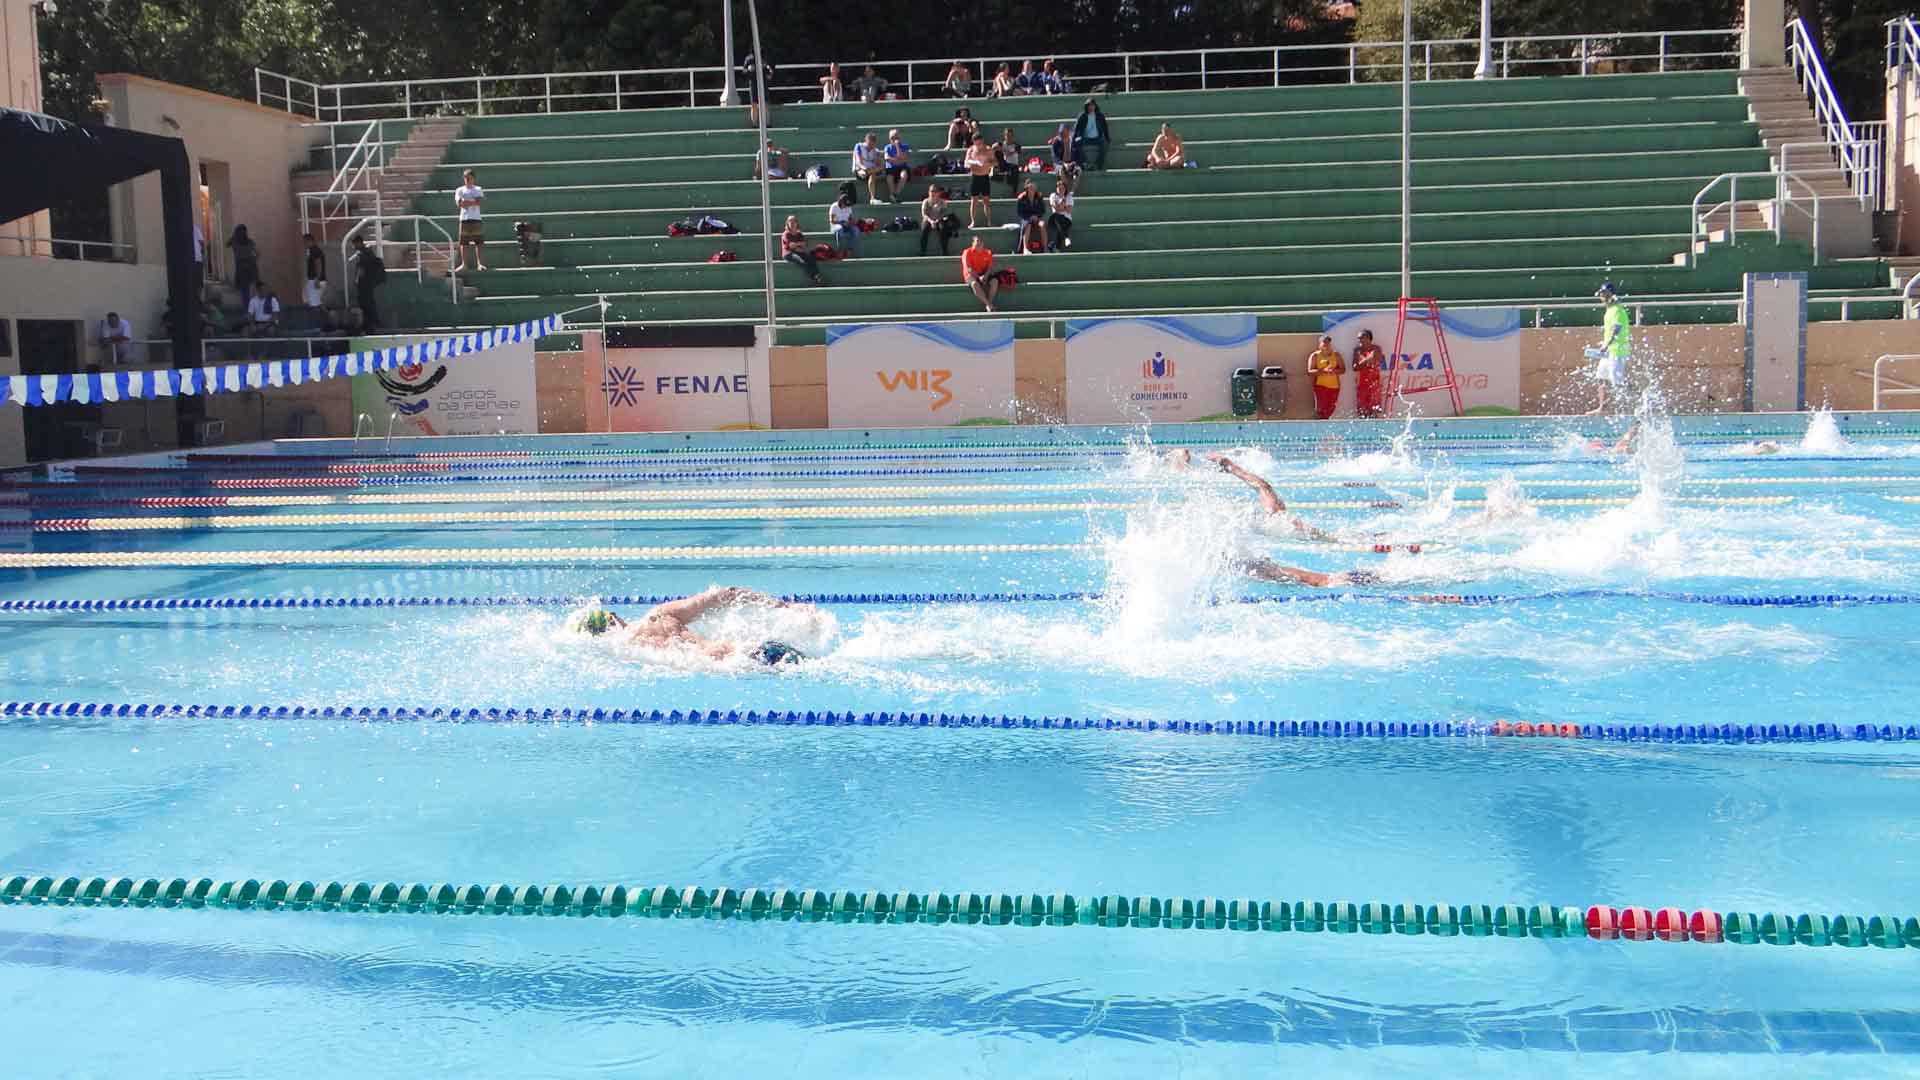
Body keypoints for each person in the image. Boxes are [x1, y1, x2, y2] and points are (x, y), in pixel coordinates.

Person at [568, 586, 820, 666]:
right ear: (614, 617)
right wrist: (783, 605)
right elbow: (726, 593)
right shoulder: (660, 615)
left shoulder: (626, 651)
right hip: (746, 650)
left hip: (737, 664)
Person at [1200, 451, 1339, 542]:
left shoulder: (1277, 517)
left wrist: (1231, 467)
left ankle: (1227, 465)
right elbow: (1263, 486)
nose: (1279, 500)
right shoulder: (1280, 518)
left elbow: (1263, 486)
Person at [1589, 280, 1631, 414]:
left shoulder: (1617, 310)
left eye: (1604, 294)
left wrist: (1607, 344)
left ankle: (1636, 405)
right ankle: (1602, 408)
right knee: (1601, 378)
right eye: (1601, 294)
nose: (1602, 297)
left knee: (1617, 384)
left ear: (1610, 295)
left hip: (1617, 352)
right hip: (1608, 352)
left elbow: (1617, 329)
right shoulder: (1610, 310)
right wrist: (1604, 344)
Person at [350, 234, 386, 331]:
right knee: (369, 304)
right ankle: (373, 324)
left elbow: (361, 269)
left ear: (359, 243)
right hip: (368, 284)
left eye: (354, 244)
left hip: (364, 284)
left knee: (366, 305)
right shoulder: (368, 252)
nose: (354, 246)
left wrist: (356, 281)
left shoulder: (363, 254)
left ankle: (371, 324)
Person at [453, 168, 487, 273]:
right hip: (464, 218)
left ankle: (480, 264)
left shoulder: (478, 189)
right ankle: (464, 264)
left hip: (476, 218)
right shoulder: (459, 190)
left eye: (470, 178)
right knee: (464, 243)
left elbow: (479, 201)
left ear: (473, 179)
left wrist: (466, 202)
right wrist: (472, 201)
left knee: (479, 242)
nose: (467, 180)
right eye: (466, 178)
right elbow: (459, 204)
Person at [1307, 334, 1345, 420]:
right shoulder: (1315, 355)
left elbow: (1343, 369)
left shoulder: (1336, 354)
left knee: (1330, 408)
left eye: (1328, 343)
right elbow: (1310, 371)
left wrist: (1333, 371)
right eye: (1324, 342)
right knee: (1321, 409)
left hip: (1334, 386)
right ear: (1320, 344)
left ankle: (1326, 423)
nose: (1326, 345)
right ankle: (1321, 424)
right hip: (1320, 385)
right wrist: (1323, 371)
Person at [1352, 328, 1386, 418]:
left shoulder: (1376, 348)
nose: (1359, 340)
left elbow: (1376, 362)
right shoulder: (1357, 350)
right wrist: (1367, 360)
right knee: (1362, 410)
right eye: (1358, 338)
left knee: (1374, 410)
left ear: (1368, 338)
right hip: (1362, 383)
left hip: (1374, 382)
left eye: (1361, 338)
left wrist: (1362, 361)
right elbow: (1355, 367)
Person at [781, 215, 824, 284]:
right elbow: (791, 246)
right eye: (790, 221)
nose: (792, 223)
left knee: (811, 258)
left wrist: (796, 245)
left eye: (794, 221)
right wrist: (798, 244)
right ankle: (814, 277)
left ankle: (817, 275)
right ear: (787, 223)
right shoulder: (786, 234)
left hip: (799, 251)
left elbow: (803, 244)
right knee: (802, 261)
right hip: (788, 253)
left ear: (797, 223)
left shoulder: (799, 234)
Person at [1071, 98, 1111, 171]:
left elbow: (1105, 128)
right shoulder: (1082, 116)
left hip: (1097, 138)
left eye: (1092, 105)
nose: (1091, 107)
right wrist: (1073, 140)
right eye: (1089, 106)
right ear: (1086, 107)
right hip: (1085, 138)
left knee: (1105, 144)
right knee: (1077, 143)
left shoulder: (1100, 116)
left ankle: (1098, 165)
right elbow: (1076, 129)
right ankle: (1086, 163)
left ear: (1095, 106)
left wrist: (1107, 138)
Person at [964, 136, 995, 227]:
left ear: (983, 141)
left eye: (980, 143)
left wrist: (987, 164)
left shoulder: (988, 150)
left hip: (985, 176)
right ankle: (973, 221)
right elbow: (966, 164)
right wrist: (972, 163)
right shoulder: (971, 150)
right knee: (974, 201)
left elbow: (995, 162)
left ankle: (989, 221)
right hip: (975, 177)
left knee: (986, 201)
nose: (979, 145)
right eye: (977, 143)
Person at [962, 234, 998, 312]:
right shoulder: (967, 252)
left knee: (995, 281)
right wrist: (979, 277)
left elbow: (990, 267)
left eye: (981, 242)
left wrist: (985, 276)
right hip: (971, 275)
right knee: (974, 284)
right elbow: (969, 269)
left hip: (983, 273)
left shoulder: (988, 252)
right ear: (972, 243)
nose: (979, 243)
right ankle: (989, 305)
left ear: (983, 243)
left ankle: (989, 303)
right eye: (977, 241)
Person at [920, 185, 958, 255]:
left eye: (935, 191)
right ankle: (923, 251)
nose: (933, 193)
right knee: (924, 229)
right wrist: (931, 221)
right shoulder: (926, 201)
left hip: (939, 220)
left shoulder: (942, 202)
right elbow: (924, 214)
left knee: (943, 229)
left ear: (939, 193)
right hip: (928, 220)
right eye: (931, 191)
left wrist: (936, 220)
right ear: (929, 192)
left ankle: (945, 251)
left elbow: (943, 214)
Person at [1014, 180, 1049, 254]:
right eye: (1030, 187)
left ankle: (1045, 248)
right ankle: (1025, 248)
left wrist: (1037, 216)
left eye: (1033, 187)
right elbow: (1020, 212)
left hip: (1037, 218)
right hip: (1026, 218)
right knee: (1028, 225)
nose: (1032, 189)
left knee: (1042, 224)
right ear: (1026, 188)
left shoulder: (1039, 197)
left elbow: (1042, 210)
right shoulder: (1022, 198)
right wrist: (1029, 217)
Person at [226, 225, 259, 300]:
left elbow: (257, 252)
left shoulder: (239, 241)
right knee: (246, 289)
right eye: (241, 231)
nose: (242, 233)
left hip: (247, 266)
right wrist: (254, 259)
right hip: (245, 266)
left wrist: (254, 258)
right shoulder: (236, 241)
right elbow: (257, 252)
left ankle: (249, 304)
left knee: (247, 289)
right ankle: (248, 304)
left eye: (243, 232)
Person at [852, 132, 885, 204]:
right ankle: (873, 198)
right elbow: (859, 163)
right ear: (866, 140)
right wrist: (865, 169)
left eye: (873, 144)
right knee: (866, 172)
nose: (871, 146)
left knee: (873, 173)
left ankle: (872, 199)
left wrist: (877, 158)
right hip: (860, 170)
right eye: (869, 143)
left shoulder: (875, 150)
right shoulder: (858, 146)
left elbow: (879, 164)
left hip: (871, 171)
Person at [883, 129, 913, 203]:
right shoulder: (887, 147)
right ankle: (892, 194)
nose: (894, 139)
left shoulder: (905, 146)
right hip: (891, 168)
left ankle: (895, 194)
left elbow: (904, 158)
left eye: (896, 138)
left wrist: (897, 147)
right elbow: (887, 158)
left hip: (902, 168)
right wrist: (898, 160)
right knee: (889, 177)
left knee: (904, 174)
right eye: (892, 138)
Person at [1045, 177, 1074, 251]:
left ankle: (1056, 248)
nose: (1061, 190)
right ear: (1056, 189)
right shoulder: (1053, 196)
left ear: (1065, 189)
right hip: (1053, 219)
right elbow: (1056, 209)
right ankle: (1066, 237)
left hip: (1066, 219)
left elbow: (1069, 211)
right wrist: (1064, 206)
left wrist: (1061, 206)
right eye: (1059, 188)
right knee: (1057, 217)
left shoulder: (1069, 197)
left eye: (1062, 188)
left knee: (1060, 225)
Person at [993, 127, 1024, 196]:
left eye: (1010, 135)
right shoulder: (1001, 144)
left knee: (1014, 170)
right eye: (1007, 135)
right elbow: (993, 147)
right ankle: (997, 170)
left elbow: (1012, 153)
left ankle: (1014, 191)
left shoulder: (1017, 145)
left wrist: (1005, 151)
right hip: (1004, 164)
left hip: (1013, 165)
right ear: (1004, 136)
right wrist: (998, 146)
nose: (1009, 137)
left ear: (1013, 136)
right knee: (997, 152)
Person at [828, 191, 859, 257]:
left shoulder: (848, 207)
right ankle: (840, 250)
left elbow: (850, 218)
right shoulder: (834, 207)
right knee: (840, 229)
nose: (846, 206)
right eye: (845, 204)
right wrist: (842, 223)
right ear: (841, 202)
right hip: (835, 225)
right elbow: (832, 221)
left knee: (856, 230)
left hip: (846, 224)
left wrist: (852, 222)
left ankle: (849, 249)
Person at [302, 232, 327, 308]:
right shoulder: (311, 251)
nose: (304, 244)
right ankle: (326, 313)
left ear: (309, 241)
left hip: (315, 280)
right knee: (310, 301)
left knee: (315, 304)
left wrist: (317, 279)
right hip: (312, 280)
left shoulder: (315, 250)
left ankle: (327, 314)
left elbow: (318, 264)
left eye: (304, 242)